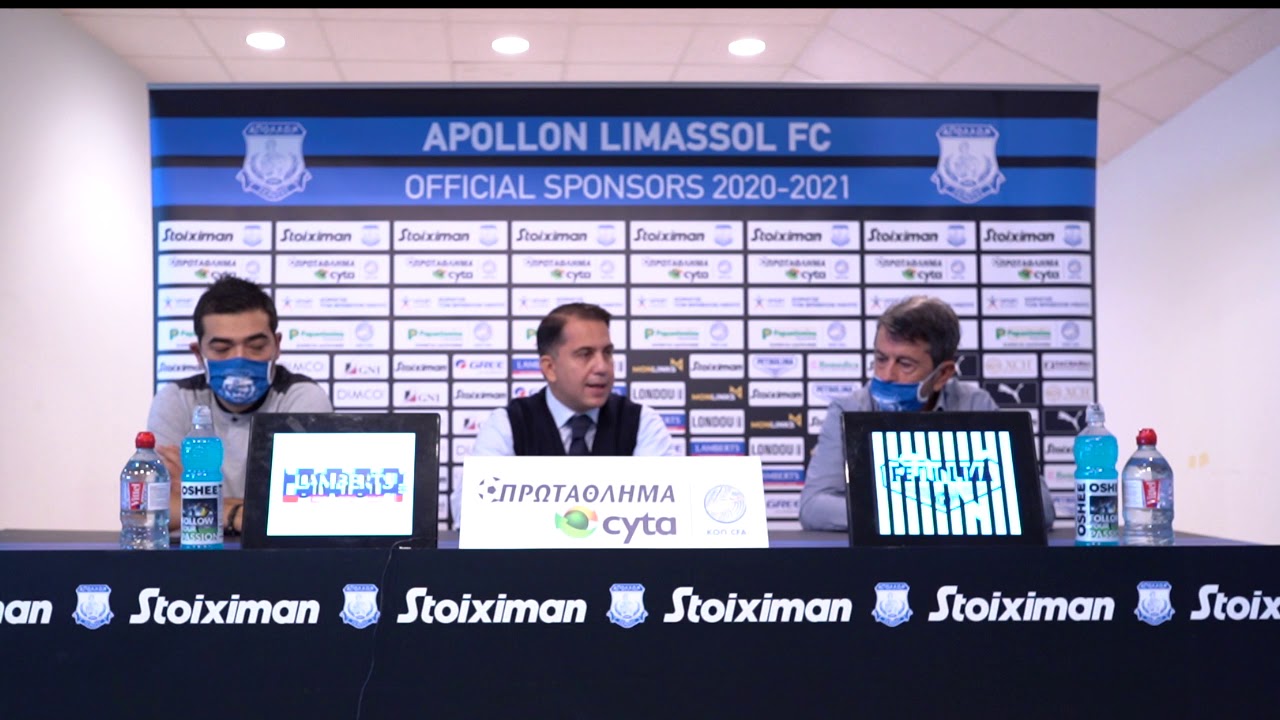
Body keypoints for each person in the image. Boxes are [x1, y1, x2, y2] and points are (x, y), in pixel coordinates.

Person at [799, 295, 1057, 532]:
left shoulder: (974, 405)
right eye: (881, 359)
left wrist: (903, 512)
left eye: (905, 364)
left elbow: (1040, 506)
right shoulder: (849, 409)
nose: (887, 375)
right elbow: (813, 507)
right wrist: (927, 512)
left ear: (942, 374)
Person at [457, 302, 676, 524]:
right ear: (550, 368)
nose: (602, 367)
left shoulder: (641, 423)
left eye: (607, 353)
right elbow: (472, 513)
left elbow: (662, 514)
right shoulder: (508, 424)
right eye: (585, 354)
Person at [146, 275, 332, 534]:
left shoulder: (302, 397)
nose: (240, 359)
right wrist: (234, 513)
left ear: (277, 346)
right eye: (222, 348)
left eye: (256, 346)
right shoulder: (177, 399)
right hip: (196, 551)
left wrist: (194, 496)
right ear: (198, 354)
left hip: (279, 554)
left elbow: (309, 508)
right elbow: (153, 509)